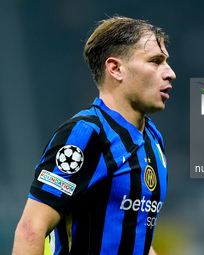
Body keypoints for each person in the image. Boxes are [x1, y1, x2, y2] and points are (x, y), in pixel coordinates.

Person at [12, 16, 176, 255]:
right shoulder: (86, 134)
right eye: (155, 61)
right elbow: (30, 231)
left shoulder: (153, 139)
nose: (170, 73)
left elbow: (134, 238)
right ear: (116, 68)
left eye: (166, 62)